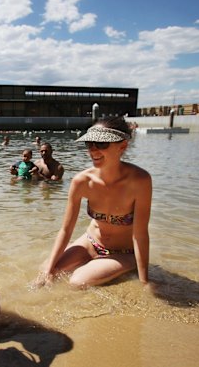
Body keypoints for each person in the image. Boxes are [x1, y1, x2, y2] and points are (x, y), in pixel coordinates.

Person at [35, 117, 151, 289]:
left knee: (77, 282)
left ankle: (125, 266)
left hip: (122, 253)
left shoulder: (140, 180)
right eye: (90, 144)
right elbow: (66, 229)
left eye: (102, 144)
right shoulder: (81, 181)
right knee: (46, 270)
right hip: (90, 242)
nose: (94, 150)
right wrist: (49, 270)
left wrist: (145, 282)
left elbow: (140, 235)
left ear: (123, 146)